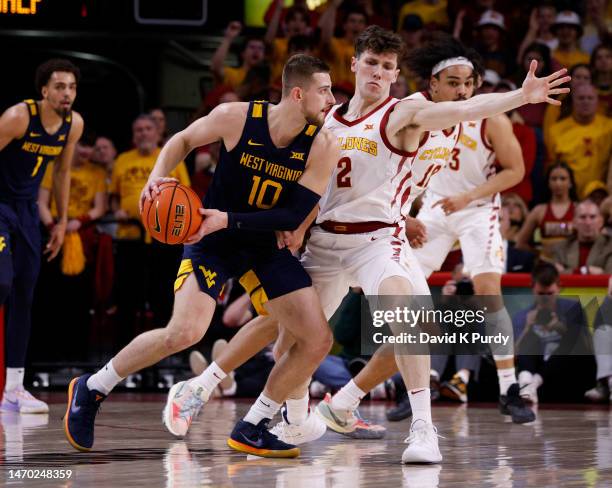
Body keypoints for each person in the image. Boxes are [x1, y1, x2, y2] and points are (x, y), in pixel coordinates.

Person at [184, 28, 570, 464]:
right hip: (325, 240)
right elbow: (309, 184)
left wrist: (520, 97)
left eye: (388, 67)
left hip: (376, 239)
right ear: (354, 64)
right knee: (288, 340)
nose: (379, 72)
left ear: (396, 73)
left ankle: (423, 430)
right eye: (371, 63)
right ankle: (290, 415)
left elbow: (468, 107)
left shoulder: (404, 111)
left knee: (409, 318)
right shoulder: (325, 119)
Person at [64, 54, 340, 458]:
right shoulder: (236, 117)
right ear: (298, 94)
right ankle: (92, 387)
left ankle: (254, 424)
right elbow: (182, 140)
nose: (332, 98)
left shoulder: (322, 143)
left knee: (316, 339)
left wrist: (228, 219)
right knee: (184, 333)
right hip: (210, 238)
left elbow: (293, 214)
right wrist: (158, 176)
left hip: (257, 240)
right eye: (325, 90)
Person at [408, 41, 535, 423]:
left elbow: (516, 171)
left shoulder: (491, 117)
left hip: (478, 207)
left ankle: (508, 388)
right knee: (403, 287)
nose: (463, 90)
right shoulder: (418, 113)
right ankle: (414, 386)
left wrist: (469, 196)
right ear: (433, 84)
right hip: (434, 206)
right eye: (453, 82)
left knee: (487, 291)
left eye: (468, 83)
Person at [0, 58, 83, 412]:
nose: (67, 93)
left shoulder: (73, 124)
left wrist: (62, 222)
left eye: (72, 87)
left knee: (24, 293)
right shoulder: (18, 117)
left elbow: (63, 173)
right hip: (0, 206)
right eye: (60, 86)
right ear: (44, 90)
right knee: (2, 283)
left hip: (28, 212)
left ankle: (14, 389)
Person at [513, 262, 595, 403]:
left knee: (569, 341)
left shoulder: (574, 308)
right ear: (532, 288)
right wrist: (527, 329)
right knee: (528, 339)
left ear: (559, 287)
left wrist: (559, 327)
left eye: (549, 294)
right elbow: (513, 355)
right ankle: (526, 382)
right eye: (541, 294)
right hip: (539, 377)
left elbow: (584, 347)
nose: (545, 299)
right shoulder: (523, 316)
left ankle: (531, 383)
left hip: (569, 374)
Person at [547, 83, 612, 200]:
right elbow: (552, 168)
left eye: (590, 98)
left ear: (597, 101)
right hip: (569, 197)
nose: (585, 102)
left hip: (603, 195)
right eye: (581, 98)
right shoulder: (556, 131)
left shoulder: (609, 127)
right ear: (573, 101)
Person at [516, 162, 577, 258]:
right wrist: (539, 254)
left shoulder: (579, 210)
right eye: (554, 179)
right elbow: (520, 243)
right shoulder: (539, 211)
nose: (558, 183)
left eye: (563, 178)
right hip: (546, 267)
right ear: (548, 183)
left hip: (572, 266)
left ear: (570, 183)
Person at [550, 199, 612, 274]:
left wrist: (566, 271)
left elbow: (609, 276)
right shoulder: (561, 249)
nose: (588, 223)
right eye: (583, 217)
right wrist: (585, 271)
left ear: (601, 222)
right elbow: (554, 277)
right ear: (574, 223)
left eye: (592, 217)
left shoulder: (609, 247)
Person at [211, 22, 266, 89]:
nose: (256, 51)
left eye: (260, 48)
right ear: (243, 54)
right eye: (252, 47)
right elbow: (215, 67)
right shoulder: (233, 75)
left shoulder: (269, 79)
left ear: (264, 56)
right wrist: (228, 38)